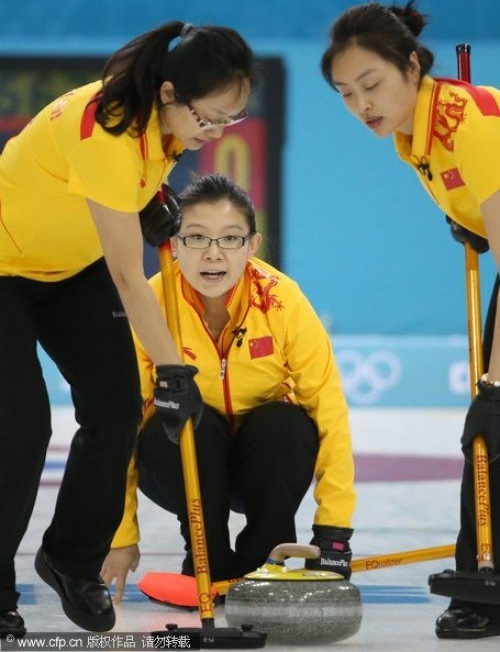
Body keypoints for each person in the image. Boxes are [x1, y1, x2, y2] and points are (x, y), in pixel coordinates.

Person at [0, 22, 256, 637]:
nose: (217, 134)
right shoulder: (109, 130)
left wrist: (151, 197)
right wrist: (173, 370)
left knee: (115, 412)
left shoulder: (160, 117)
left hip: (68, 266)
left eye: (232, 120)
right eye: (211, 118)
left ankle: (69, 559)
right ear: (169, 93)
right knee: (19, 427)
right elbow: (126, 275)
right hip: (3, 267)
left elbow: (109, 189)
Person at [320, 0, 500, 640]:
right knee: (490, 440)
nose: (360, 103)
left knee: (493, 425)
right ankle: (483, 584)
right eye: (345, 93)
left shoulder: (468, 125)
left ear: (412, 65)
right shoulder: (407, 136)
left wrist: (496, 386)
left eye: (371, 84)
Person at [100, 173, 356, 602]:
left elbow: (329, 411)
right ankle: (207, 560)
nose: (213, 254)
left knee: (287, 424)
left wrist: (333, 531)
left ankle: (265, 560)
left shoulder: (283, 301)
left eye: (230, 239)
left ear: (252, 246)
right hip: (180, 462)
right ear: (174, 244)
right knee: (187, 423)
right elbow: (121, 420)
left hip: (265, 462)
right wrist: (122, 533)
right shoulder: (151, 303)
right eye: (196, 238)